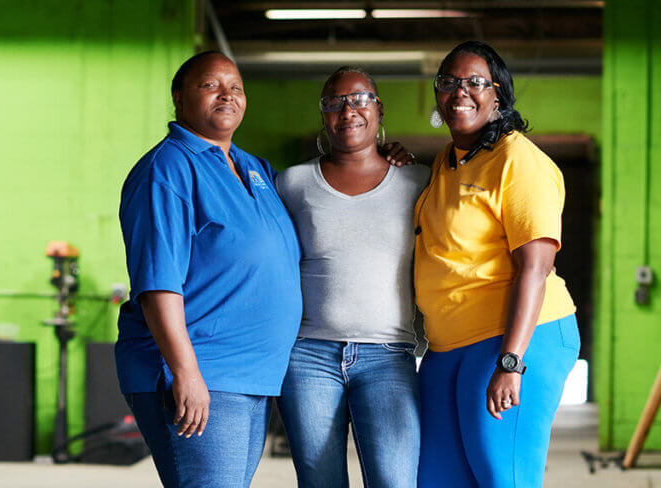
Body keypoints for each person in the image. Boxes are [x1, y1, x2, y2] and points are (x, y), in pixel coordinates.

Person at [115, 51, 303, 487]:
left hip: (251, 374)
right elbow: (157, 284)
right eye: (210, 85)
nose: (227, 94)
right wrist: (185, 371)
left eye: (236, 87)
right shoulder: (168, 168)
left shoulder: (253, 167)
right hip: (203, 370)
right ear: (179, 98)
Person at [413, 41, 579, 488]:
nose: (459, 92)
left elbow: (535, 269)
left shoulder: (518, 161)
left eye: (474, 83)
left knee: (502, 476)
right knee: (436, 478)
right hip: (448, 346)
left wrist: (511, 362)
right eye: (448, 82)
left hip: (517, 338)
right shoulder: (447, 162)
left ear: (498, 95)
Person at [275, 66, 428, 488]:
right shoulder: (293, 183)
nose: (348, 110)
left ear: (379, 110)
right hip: (308, 356)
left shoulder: (419, 181)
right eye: (335, 102)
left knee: (395, 480)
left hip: (388, 355)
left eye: (360, 99)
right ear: (323, 115)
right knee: (320, 481)